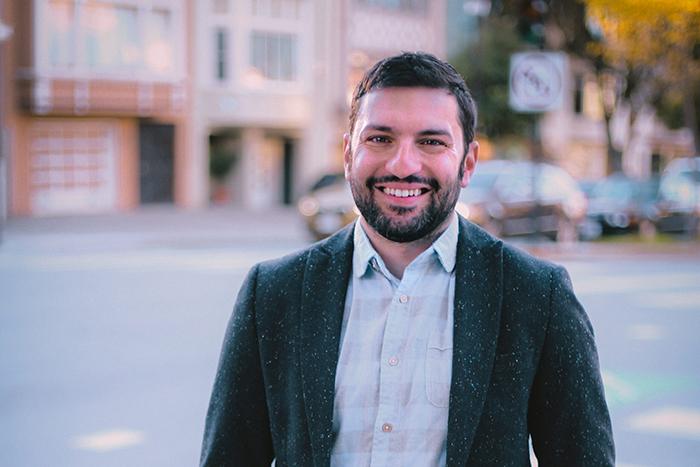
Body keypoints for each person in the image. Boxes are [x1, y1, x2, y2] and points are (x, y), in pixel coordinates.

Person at [200, 52, 614, 467]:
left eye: (431, 142)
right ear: (348, 155)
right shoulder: (273, 293)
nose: (402, 165)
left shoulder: (537, 296)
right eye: (379, 139)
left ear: (467, 163)